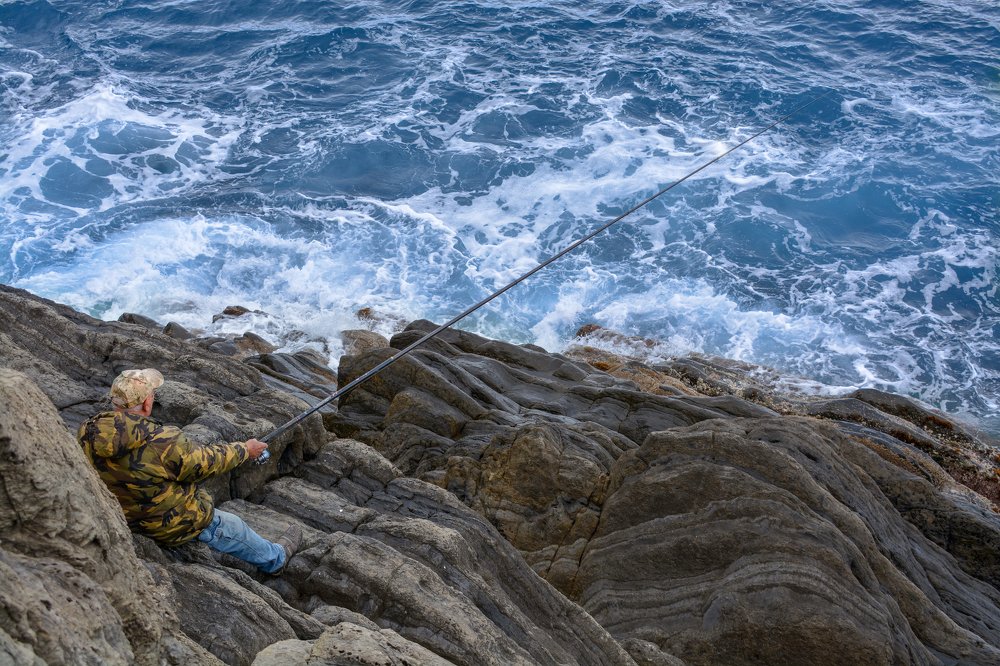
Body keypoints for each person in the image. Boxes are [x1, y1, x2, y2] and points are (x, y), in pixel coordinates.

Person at [77, 368, 301, 574]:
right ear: (146, 404)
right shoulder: (162, 440)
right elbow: (205, 463)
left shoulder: (88, 430)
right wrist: (245, 449)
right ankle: (276, 560)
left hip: (121, 515)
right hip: (164, 524)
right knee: (231, 526)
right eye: (152, 394)